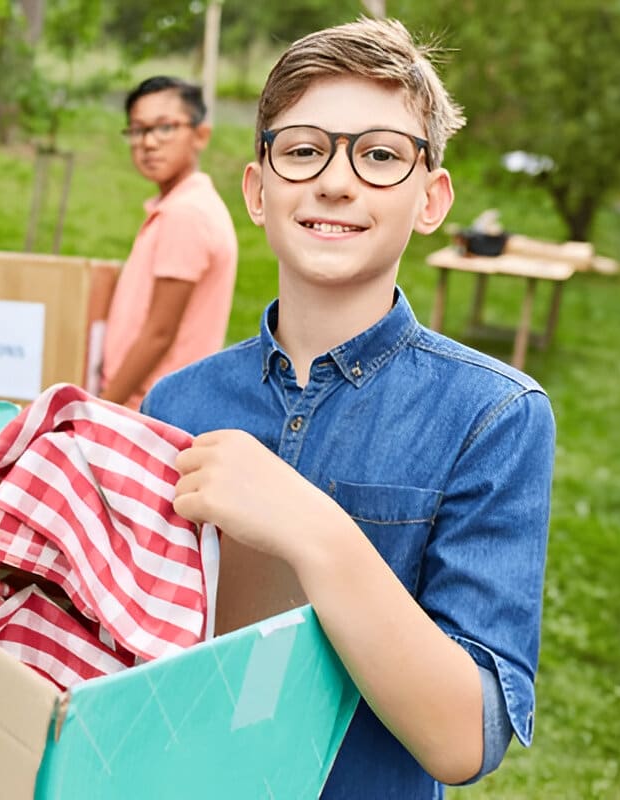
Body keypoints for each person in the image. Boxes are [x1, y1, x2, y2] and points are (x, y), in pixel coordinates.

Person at [142, 18, 553, 799]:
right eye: (303, 150)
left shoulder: (493, 417)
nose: (335, 181)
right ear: (258, 191)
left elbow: (463, 739)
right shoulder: (179, 401)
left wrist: (312, 529)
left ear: (431, 200)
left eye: (380, 155)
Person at [98, 76, 239, 410]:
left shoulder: (186, 214)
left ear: (200, 134)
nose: (148, 142)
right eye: (137, 130)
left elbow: (160, 332)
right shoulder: (179, 207)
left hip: (153, 409)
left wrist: (102, 408)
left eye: (164, 128)